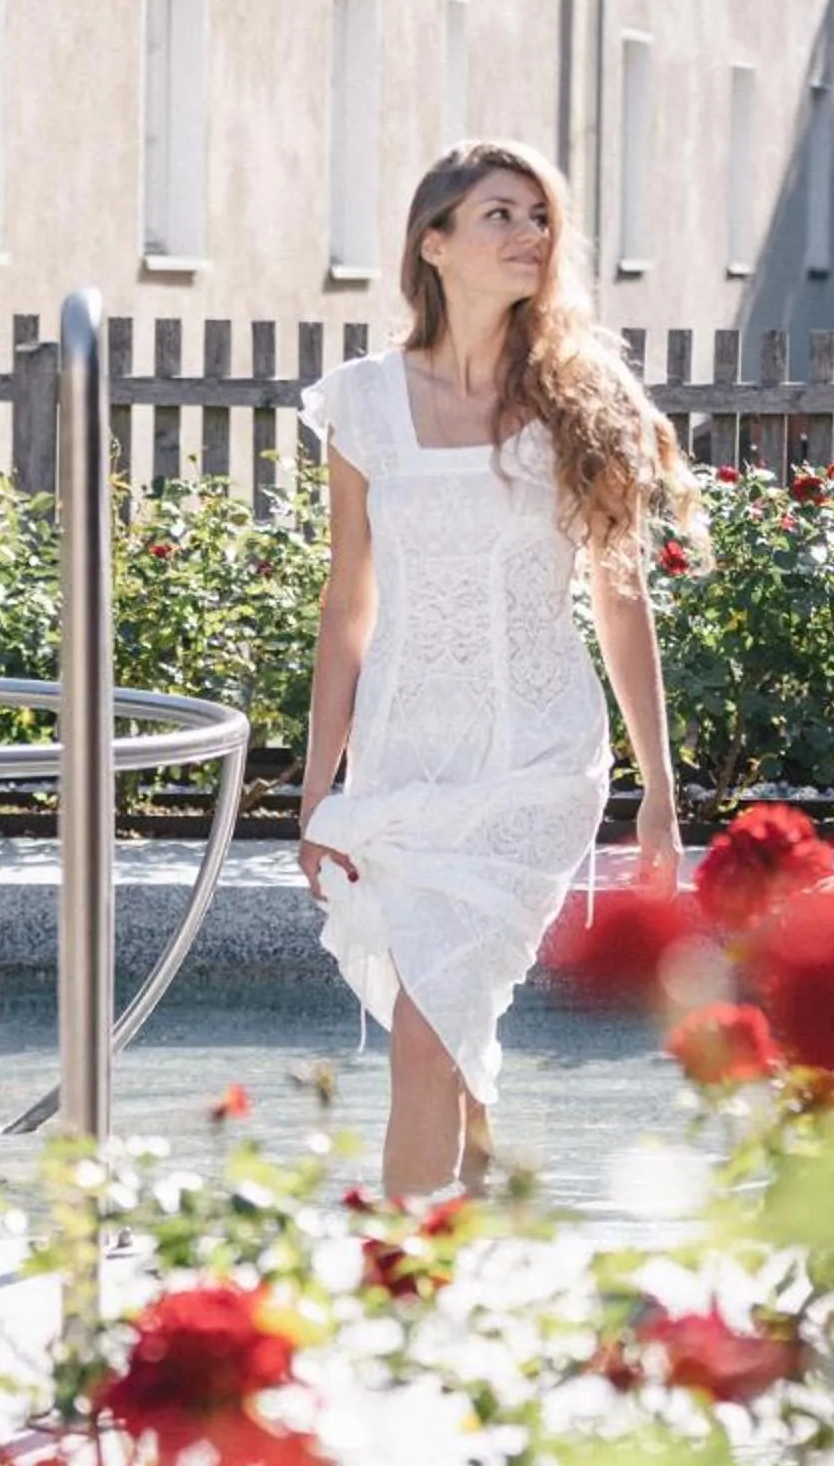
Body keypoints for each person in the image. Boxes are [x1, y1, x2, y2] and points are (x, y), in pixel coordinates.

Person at [293, 138, 697, 1200]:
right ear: (435, 244)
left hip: (539, 757)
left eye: (537, 216)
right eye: (499, 217)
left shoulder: (579, 396)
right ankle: (477, 1256)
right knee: (451, 1024)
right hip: (403, 756)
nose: (529, 235)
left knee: (426, 1032)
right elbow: (348, 601)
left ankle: (397, 1295)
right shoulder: (363, 402)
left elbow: (620, 596)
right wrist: (317, 780)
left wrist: (658, 789)